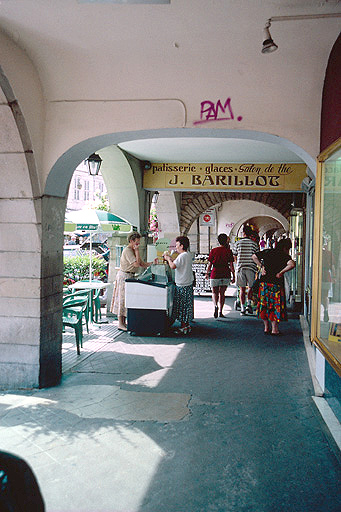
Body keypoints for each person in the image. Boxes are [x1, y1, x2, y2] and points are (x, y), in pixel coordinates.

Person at [110, 232, 157, 331]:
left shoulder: (132, 250)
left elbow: (141, 263)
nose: (138, 244)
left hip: (129, 276)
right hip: (124, 276)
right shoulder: (128, 251)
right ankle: (120, 323)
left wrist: (152, 263)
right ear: (131, 241)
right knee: (122, 300)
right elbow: (136, 264)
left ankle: (124, 322)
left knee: (127, 299)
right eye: (137, 242)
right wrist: (137, 251)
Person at [252, 238, 295, 335]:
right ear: (285, 248)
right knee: (275, 306)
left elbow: (254, 256)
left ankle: (266, 327)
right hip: (276, 284)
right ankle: (274, 329)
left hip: (264, 283)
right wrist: (281, 272)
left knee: (264, 305)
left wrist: (261, 266)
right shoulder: (284, 255)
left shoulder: (268, 251)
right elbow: (292, 264)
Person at [163, 236, 194, 335]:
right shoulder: (187, 255)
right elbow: (177, 263)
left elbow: (173, 266)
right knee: (187, 306)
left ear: (182, 245)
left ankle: (183, 327)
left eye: (177, 245)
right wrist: (171, 259)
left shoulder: (182, 256)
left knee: (182, 307)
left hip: (182, 285)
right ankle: (187, 325)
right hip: (188, 284)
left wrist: (168, 259)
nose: (176, 247)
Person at [205, 233, 235, 318]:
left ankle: (215, 306)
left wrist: (207, 273)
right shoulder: (229, 251)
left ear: (218, 241)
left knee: (214, 292)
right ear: (226, 241)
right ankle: (221, 311)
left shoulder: (214, 250)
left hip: (215, 273)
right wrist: (233, 276)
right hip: (225, 273)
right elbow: (231, 265)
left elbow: (210, 264)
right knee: (222, 293)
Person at [233, 225, 259, 315]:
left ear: (243, 233)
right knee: (251, 288)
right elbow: (256, 256)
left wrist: (237, 264)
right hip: (251, 267)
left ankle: (243, 309)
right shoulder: (254, 244)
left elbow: (234, 255)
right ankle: (249, 305)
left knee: (242, 289)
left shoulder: (238, 243)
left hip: (240, 267)